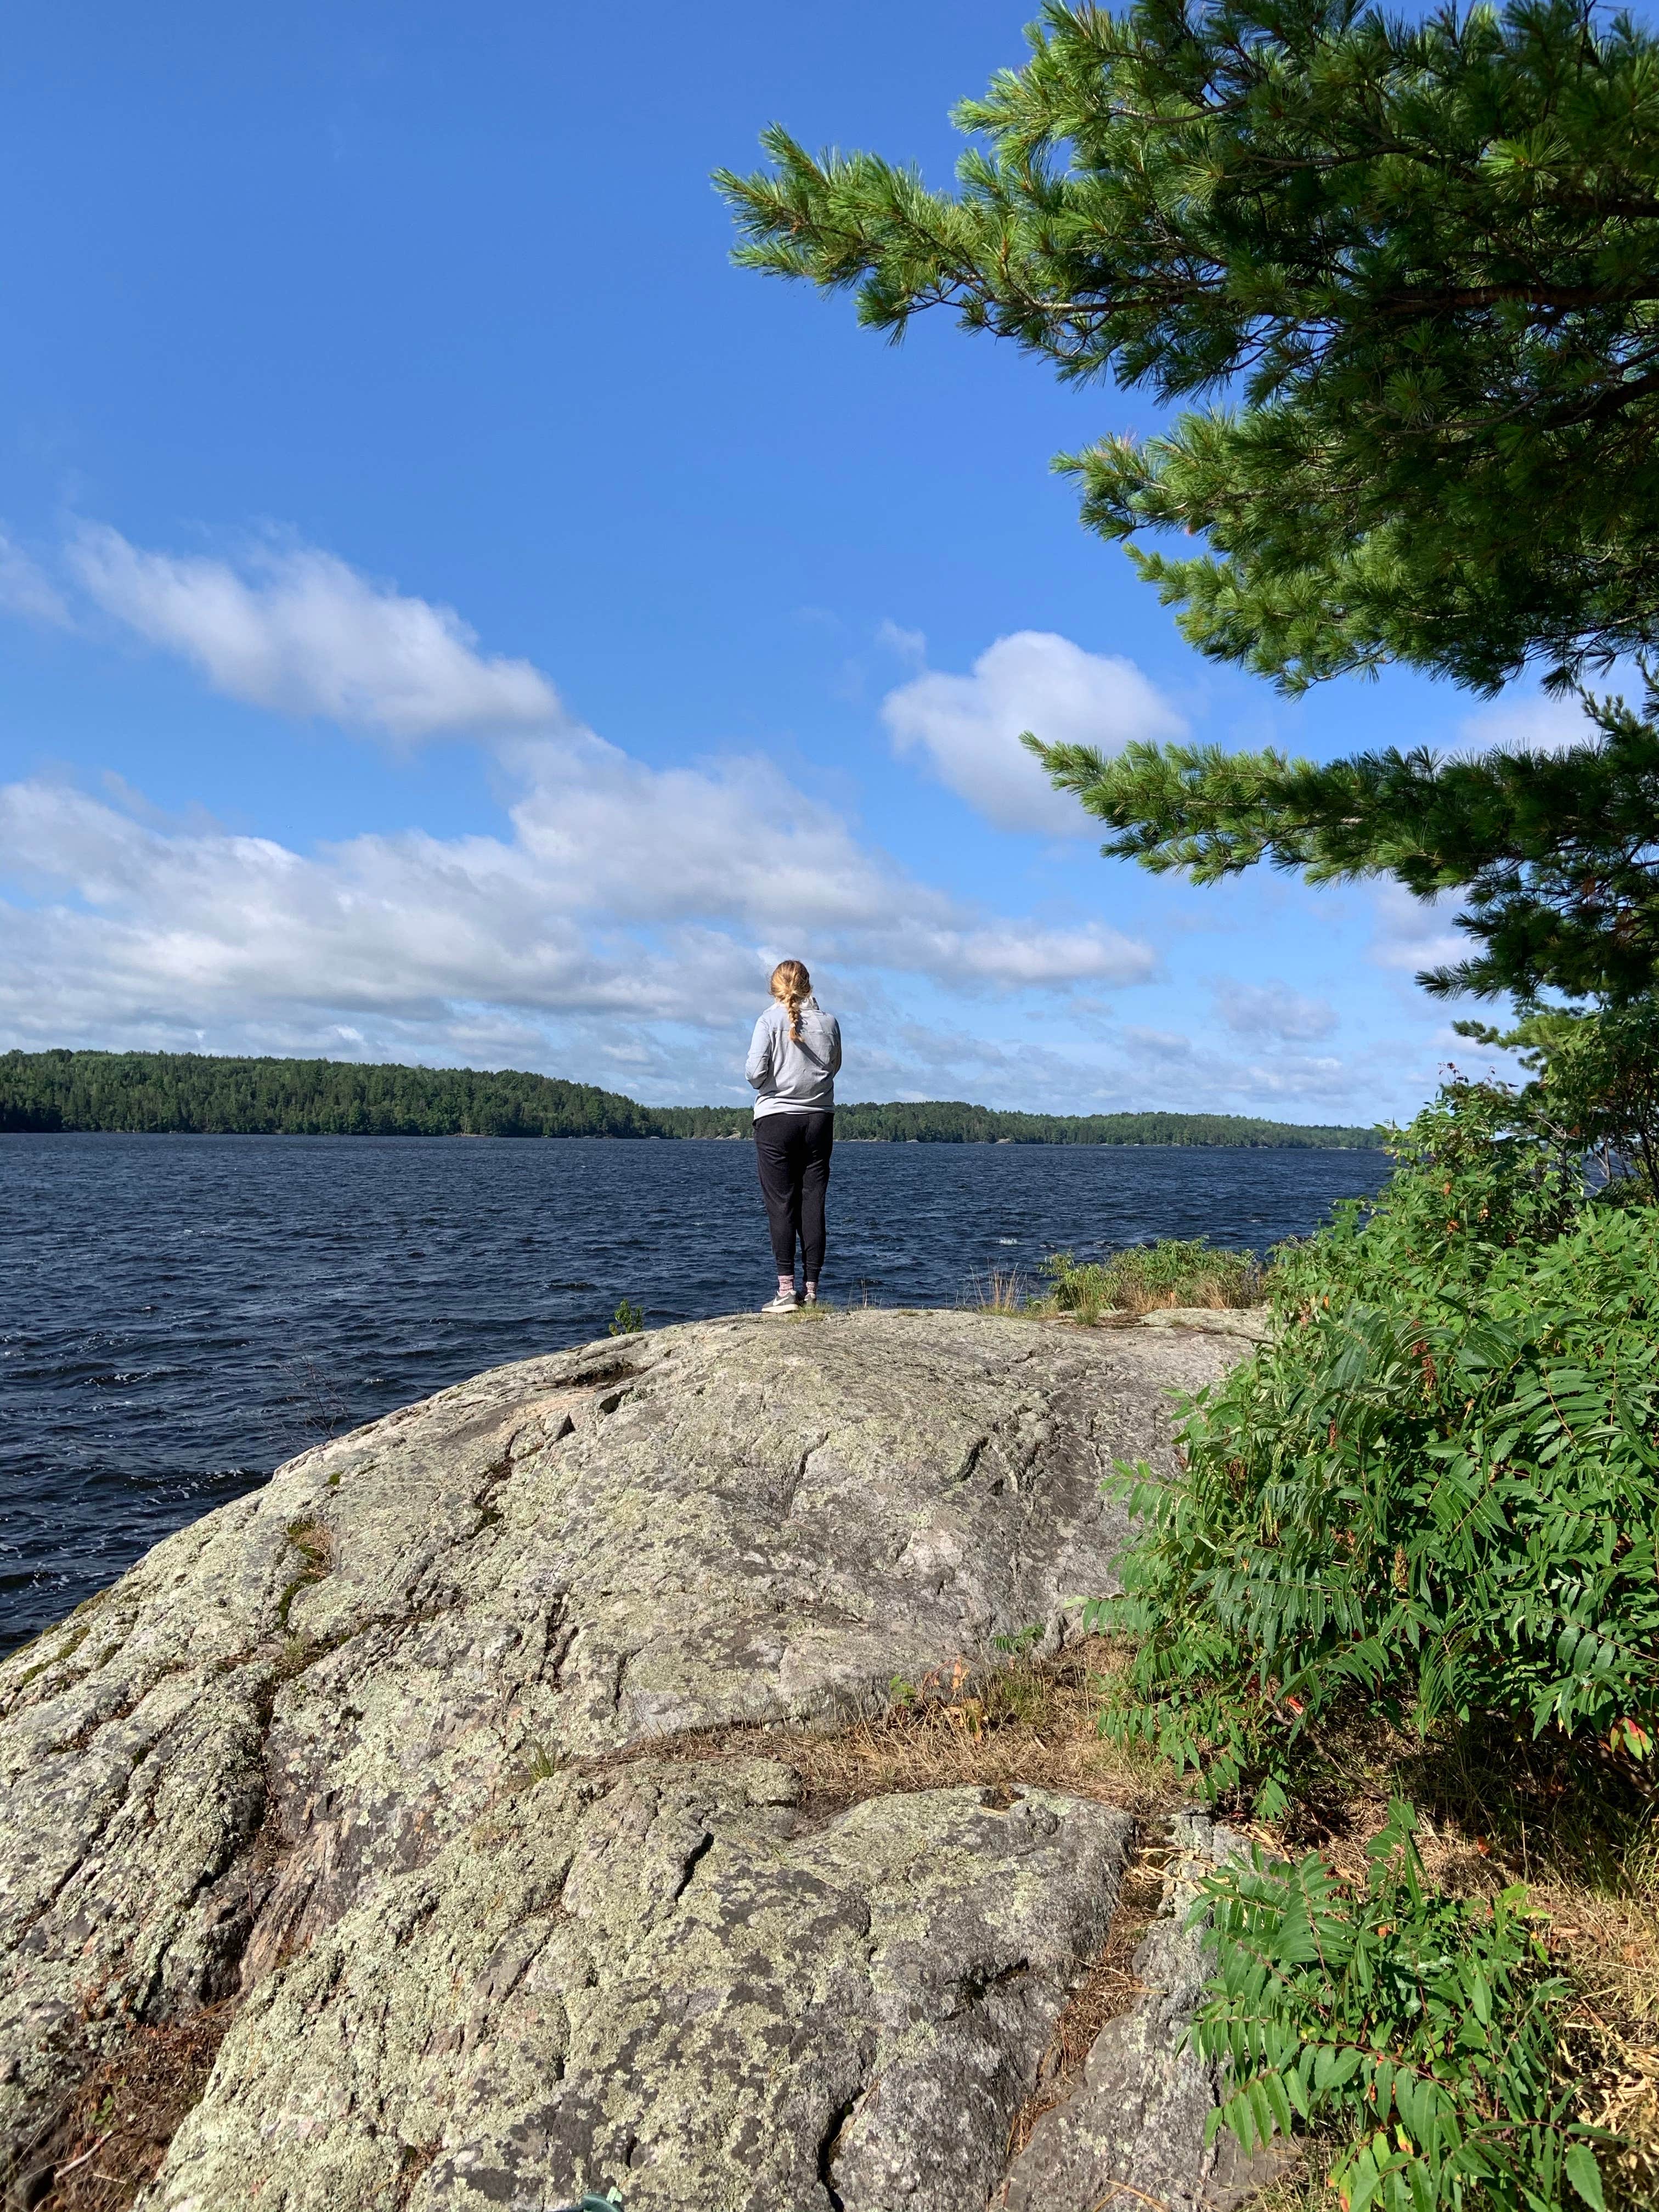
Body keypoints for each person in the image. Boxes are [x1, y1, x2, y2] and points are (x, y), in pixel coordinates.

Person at [746, 959, 841, 1313]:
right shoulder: (829, 1023)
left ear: (775, 989)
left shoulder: (768, 1021)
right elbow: (835, 1066)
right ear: (809, 985)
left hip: (776, 1122)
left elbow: (755, 1074)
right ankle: (812, 1290)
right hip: (819, 1120)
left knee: (781, 1204)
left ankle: (786, 1290)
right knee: (813, 1202)